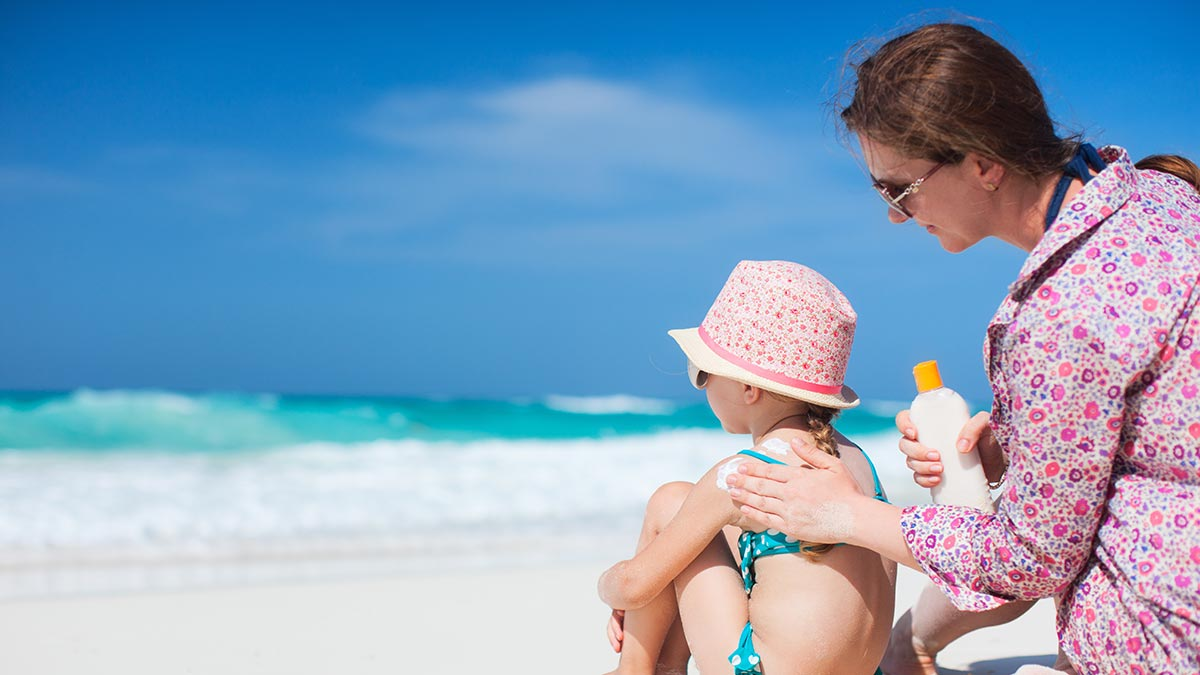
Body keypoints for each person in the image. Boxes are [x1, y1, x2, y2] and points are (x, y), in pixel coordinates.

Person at [723, 22, 1200, 675]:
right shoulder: (1160, 196)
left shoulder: (1063, 318)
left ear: (981, 163)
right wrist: (1018, 447)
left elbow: (1026, 559)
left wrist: (841, 512)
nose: (893, 214)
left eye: (897, 188)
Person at [598, 260, 896, 675]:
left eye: (702, 373)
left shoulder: (742, 474)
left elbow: (634, 587)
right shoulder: (854, 462)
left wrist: (613, 585)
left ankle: (636, 669)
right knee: (712, 531)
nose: (700, 385)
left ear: (748, 388)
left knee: (673, 502)